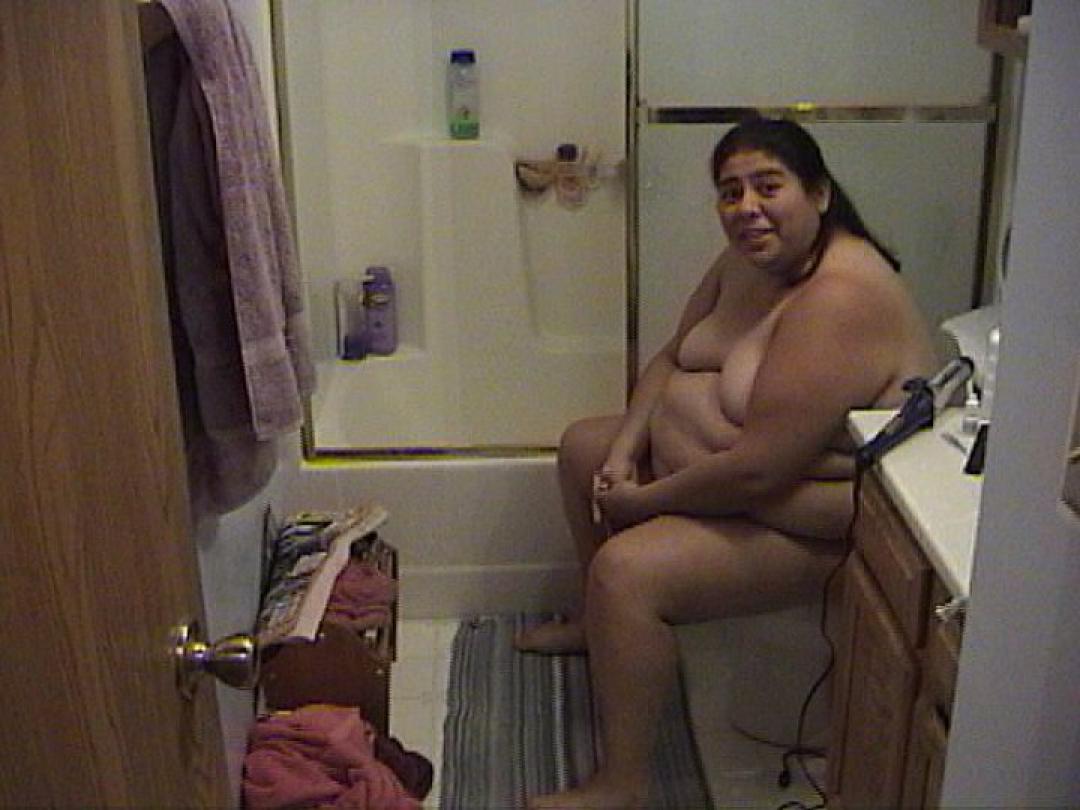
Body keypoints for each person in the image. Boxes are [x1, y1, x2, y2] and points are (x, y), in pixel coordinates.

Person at [517, 116, 939, 809]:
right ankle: (600, 629)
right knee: (582, 447)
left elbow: (758, 473)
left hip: (806, 524)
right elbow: (670, 359)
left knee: (626, 572)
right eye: (730, 191)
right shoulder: (749, 259)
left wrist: (643, 501)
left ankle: (622, 784)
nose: (747, 207)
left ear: (820, 193)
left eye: (768, 187)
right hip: (741, 482)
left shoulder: (840, 299)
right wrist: (623, 452)